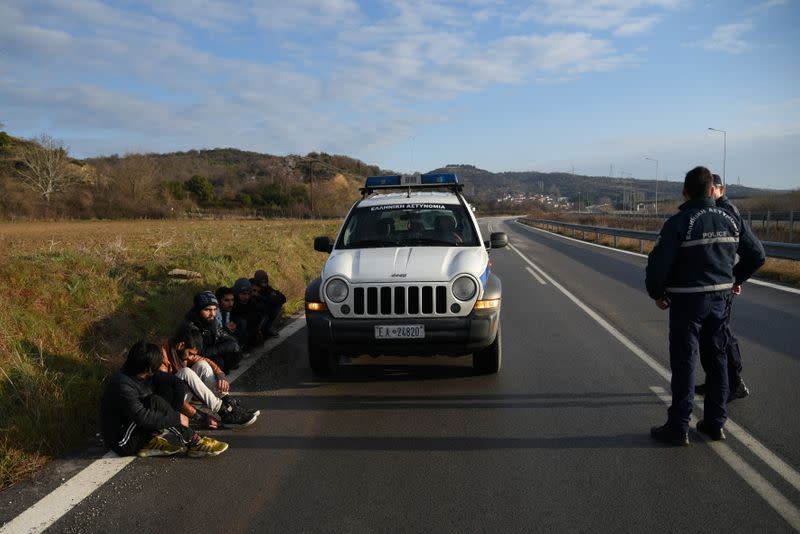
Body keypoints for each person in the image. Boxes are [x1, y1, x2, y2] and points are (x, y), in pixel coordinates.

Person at [646, 166, 764, 445]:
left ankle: (678, 427)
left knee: (685, 362)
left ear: (685, 191)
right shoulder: (731, 217)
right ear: (712, 189)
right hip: (720, 302)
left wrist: (657, 293)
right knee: (718, 361)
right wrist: (734, 278)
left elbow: (658, 265)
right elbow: (757, 254)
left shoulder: (681, 221)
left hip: (687, 303)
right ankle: (714, 424)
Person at [695, 174, 763, 401]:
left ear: (720, 189)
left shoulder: (728, 212)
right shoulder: (713, 211)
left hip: (720, 285)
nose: (706, 193)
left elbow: (756, 254)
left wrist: (735, 278)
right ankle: (717, 381)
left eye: (710, 189)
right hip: (717, 283)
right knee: (712, 335)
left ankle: (734, 383)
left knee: (720, 336)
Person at [101, 340, 228, 457]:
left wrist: (175, 411)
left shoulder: (139, 370)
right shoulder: (122, 385)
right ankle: (194, 442)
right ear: (148, 368)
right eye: (154, 369)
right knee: (153, 402)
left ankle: (150, 441)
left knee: (159, 395)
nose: (155, 372)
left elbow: (176, 382)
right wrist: (175, 418)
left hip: (135, 428)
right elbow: (141, 416)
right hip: (122, 442)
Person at [160, 330, 258, 429]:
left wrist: (221, 376)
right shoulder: (161, 357)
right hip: (168, 403)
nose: (191, 357)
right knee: (186, 372)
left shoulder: (177, 349)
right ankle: (223, 411)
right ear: (181, 345)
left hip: (179, 394)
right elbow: (165, 395)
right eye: (190, 353)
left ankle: (229, 404)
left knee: (202, 364)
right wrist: (202, 417)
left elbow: (206, 361)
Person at [179, 290, 242, 373]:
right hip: (194, 363)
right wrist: (224, 347)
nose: (213, 314)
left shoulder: (211, 320)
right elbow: (198, 353)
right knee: (219, 361)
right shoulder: (190, 327)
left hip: (211, 352)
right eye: (208, 310)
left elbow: (222, 334)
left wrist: (233, 343)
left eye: (215, 309)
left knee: (234, 349)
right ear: (198, 310)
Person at [252, 270, 286, 338]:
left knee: (277, 306)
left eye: (265, 279)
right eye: (262, 280)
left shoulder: (267, 288)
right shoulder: (252, 286)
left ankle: (266, 329)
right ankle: (255, 333)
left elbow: (283, 298)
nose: (264, 282)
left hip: (264, 309)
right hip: (252, 312)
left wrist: (269, 298)